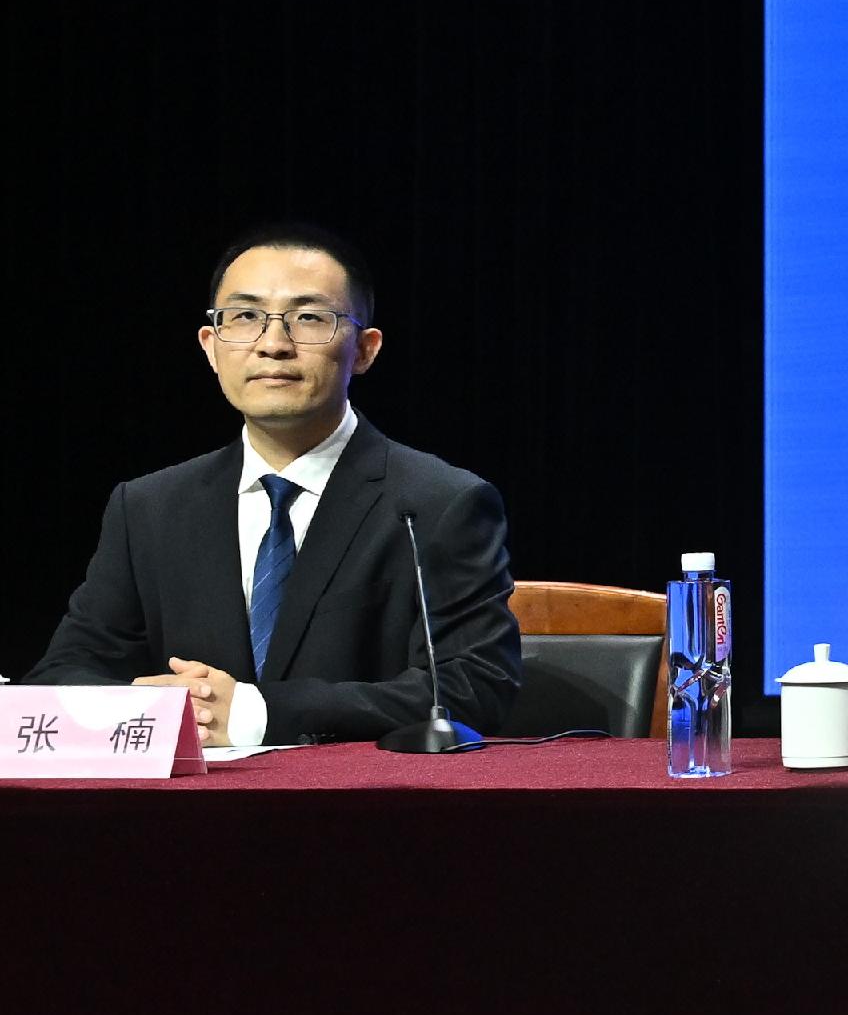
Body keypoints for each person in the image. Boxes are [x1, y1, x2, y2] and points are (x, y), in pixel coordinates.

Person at [33, 226, 521, 743]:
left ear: (364, 350)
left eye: (309, 318)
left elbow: (472, 688)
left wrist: (254, 712)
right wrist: (150, 704)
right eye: (243, 317)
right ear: (210, 346)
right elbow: (63, 675)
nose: (272, 345)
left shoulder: (439, 503)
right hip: (184, 815)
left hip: (361, 812)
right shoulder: (149, 507)